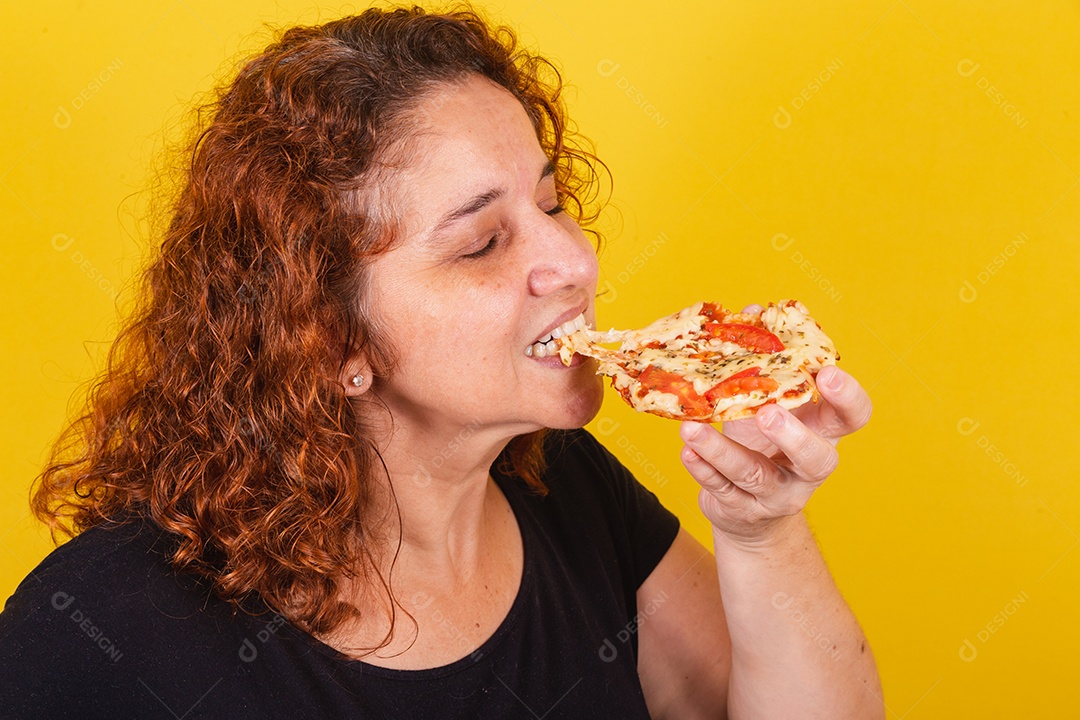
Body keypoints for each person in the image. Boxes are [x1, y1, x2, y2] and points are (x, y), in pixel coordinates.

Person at [0, 6, 883, 718]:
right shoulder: (97, 637)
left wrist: (762, 532)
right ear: (331, 339)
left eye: (553, 203)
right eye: (482, 243)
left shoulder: (571, 493)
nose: (574, 262)